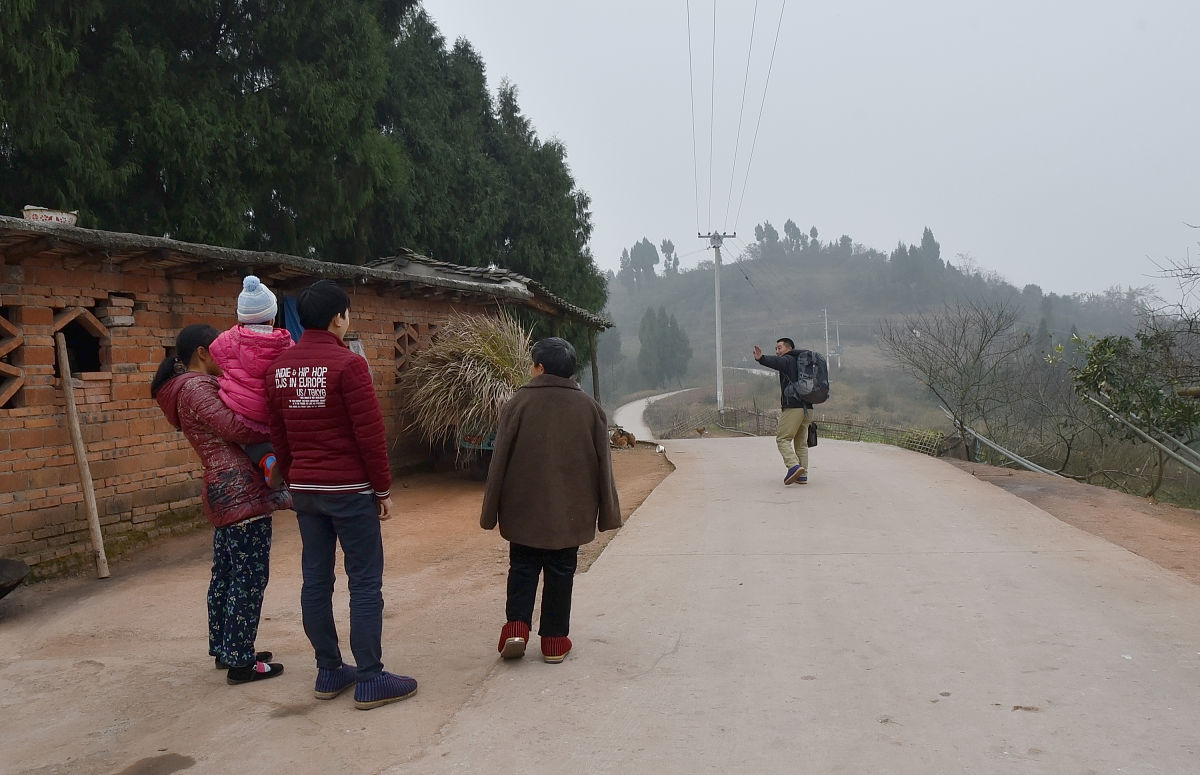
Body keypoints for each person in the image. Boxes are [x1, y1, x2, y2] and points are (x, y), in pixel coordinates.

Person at [264, 279, 416, 710]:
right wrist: (382, 489)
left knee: (316, 579)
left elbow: (279, 435)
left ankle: (329, 670)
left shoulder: (279, 368)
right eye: (347, 314)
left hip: (307, 492)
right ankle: (370, 677)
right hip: (350, 491)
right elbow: (370, 436)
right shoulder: (349, 366)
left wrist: (293, 480)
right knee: (365, 581)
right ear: (338, 318)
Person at [151, 323, 291, 684]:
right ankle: (241, 662)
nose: (225, 358)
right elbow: (236, 427)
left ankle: (228, 648)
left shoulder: (186, 389)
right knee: (249, 576)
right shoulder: (196, 387)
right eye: (219, 351)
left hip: (224, 490)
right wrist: (280, 429)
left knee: (228, 574)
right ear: (202, 352)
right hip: (238, 489)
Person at [481, 337, 622, 664]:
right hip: (571, 513)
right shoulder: (590, 408)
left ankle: (516, 628)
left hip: (523, 510)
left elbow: (498, 460)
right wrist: (608, 513)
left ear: (540, 368)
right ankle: (555, 641)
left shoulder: (517, 403)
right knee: (561, 571)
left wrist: (489, 512)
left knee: (523, 567)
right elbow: (604, 464)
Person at [208, 275, 294, 485]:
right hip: (274, 413)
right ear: (272, 318)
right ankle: (283, 463)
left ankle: (267, 460)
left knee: (247, 440)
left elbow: (214, 352)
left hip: (242, 413)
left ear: (240, 319)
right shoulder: (286, 342)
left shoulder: (225, 340)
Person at [753, 337, 814, 485]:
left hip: (794, 407)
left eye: (779, 348)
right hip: (808, 408)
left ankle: (793, 466)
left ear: (789, 348)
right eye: (776, 349)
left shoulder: (789, 360)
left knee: (782, 438)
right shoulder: (804, 364)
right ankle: (802, 475)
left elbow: (777, 362)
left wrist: (761, 358)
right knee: (801, 443)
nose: (777, 351)